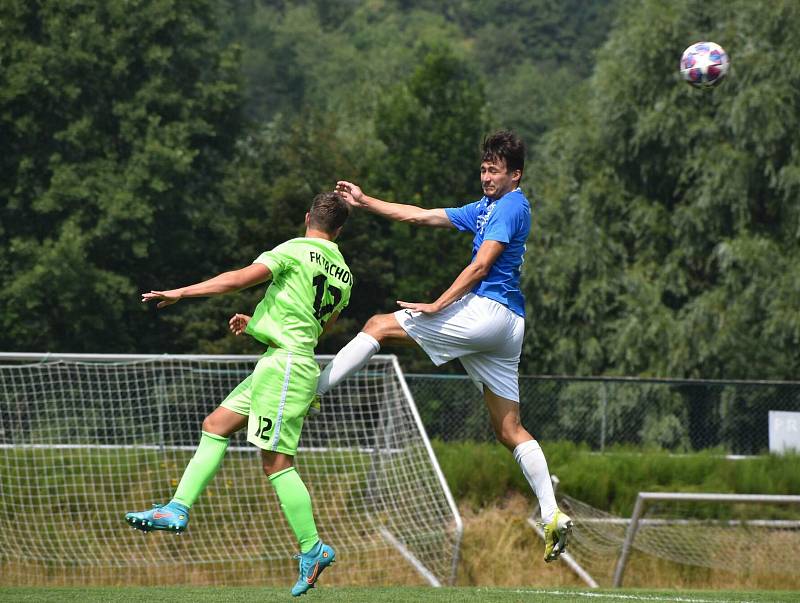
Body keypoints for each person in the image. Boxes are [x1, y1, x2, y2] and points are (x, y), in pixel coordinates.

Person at [318, 130, 573, 563]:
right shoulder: (487, 206)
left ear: (516, 174)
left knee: (378, 325)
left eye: (495, 170)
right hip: (508, 325)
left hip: (486, 312)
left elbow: (480, 266)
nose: (486, 176)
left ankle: (310, 391)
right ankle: (551, 514)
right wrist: (367, 201)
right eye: (483, 168)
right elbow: (419, 216)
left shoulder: (511, 207)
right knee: (509, 429)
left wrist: (437, 304)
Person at [125, 191, 352, 596]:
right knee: (216, 424)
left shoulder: (295, 249)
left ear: (307, 218)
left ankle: (313, 548)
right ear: (338, 230)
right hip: (282, 361)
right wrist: (261, 325)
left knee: (276, 463)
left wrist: (182, 292)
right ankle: (177, 508)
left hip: (284, 368)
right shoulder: (345, 274)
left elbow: (237, 280)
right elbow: (318, 326)